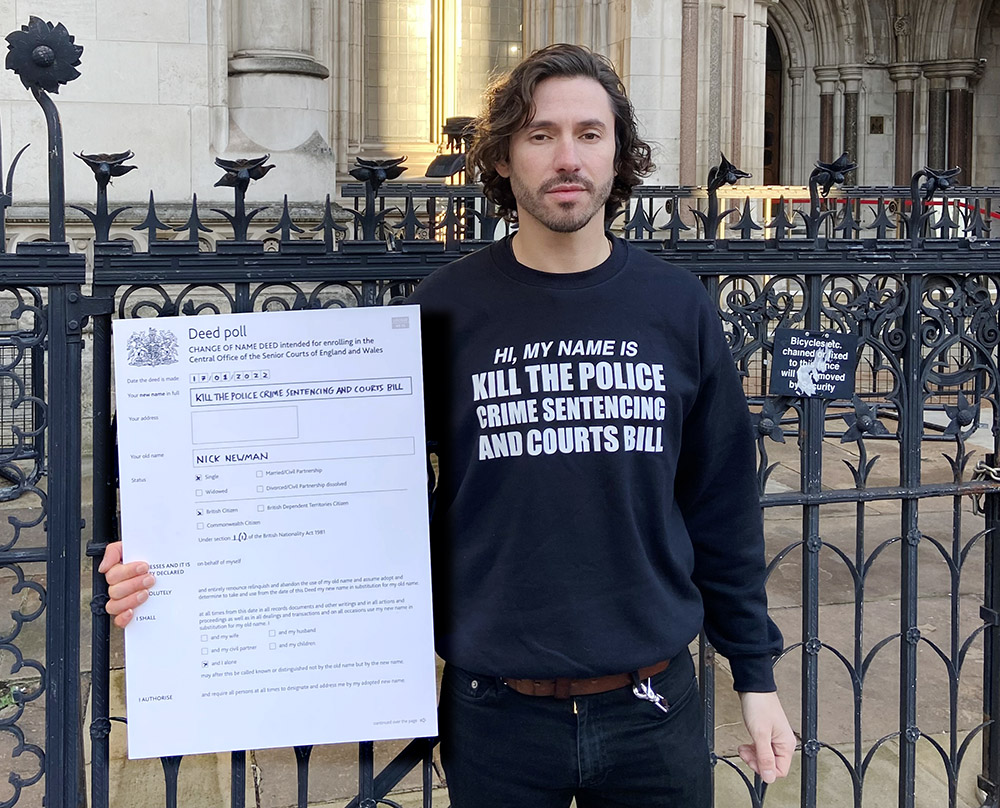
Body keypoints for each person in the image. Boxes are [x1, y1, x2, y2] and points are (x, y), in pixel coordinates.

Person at [101, 43, 794, 807]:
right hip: (496, 712)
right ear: (501, 159)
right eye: (539, 135)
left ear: (618, 154)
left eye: (589, 134)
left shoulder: (676, 307)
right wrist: (176, 551)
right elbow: (336, 477)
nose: (567, 157)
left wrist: (754, 674)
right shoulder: (444, 310)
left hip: (651, 704)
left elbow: (722, 501)